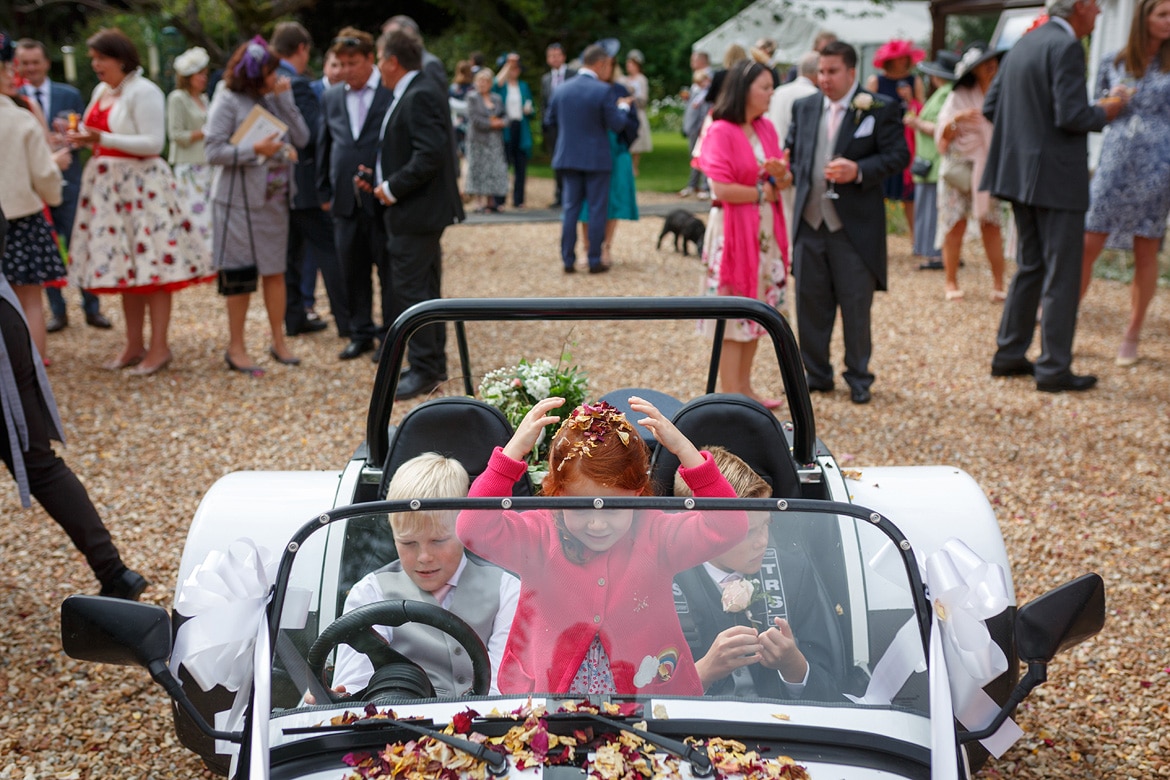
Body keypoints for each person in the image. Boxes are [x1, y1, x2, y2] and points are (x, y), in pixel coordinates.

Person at [457, 397, 747, 695]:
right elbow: (472, 528)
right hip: (550, 702)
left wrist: (686, 451)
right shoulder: (540, 535)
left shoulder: (655, 534)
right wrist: (511, 454)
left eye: (612, 508)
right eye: (582, 507)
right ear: (557, 494)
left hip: (645, 704)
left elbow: (731, 526)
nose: (597, 525)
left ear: (637, 494)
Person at [0, 198, 147, 602]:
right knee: (40, 462)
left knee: (39, 462)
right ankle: (115, 572)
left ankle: (115, 572)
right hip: (6, 317)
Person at [982, 0, 1126, 393]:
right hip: (1056, 180)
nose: (1098, 12)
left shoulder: (1023, 43)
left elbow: (992, 107)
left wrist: (1028, 143)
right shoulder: (1065, 47)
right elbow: (1072, 116)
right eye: (1095, 5)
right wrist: (1108, 109)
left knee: (1031, 267)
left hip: (1018, 175)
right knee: (1062, 274)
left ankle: (1009, 355)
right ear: (1079, 6)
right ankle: (1053, 368)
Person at [66, 28, 215, 375]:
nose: (95, 65)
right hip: (109, 190)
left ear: (119, 58)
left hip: (142, 190)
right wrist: (82, 139)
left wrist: (100, 136)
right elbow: (96, 133)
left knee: (154, 269)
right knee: (125, 268)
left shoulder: (145, 91)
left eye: (100, 58)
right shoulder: (102, 90)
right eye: (93, 59)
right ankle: (133, 343)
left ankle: (159, 347)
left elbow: (152, 143)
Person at [331, 453, 519, 697]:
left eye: (438, 540)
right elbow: (356, 688)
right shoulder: (370, 593)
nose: (424, 557)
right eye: (408, 543)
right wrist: (342, 696)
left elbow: (505, 689)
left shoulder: (506, 589)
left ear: (465, 528)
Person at [784, 41, 910, 405]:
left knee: (856, 306)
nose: (824, 79)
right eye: (821, 71)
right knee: (809, 303)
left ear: (852, 72)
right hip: (809, 222)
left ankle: (859, 377)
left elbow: (898, 155)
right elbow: (795, 153)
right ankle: (817, 374)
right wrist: (784, 171)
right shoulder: (804, 106)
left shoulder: (879, 108)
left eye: (832, 71)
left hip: (853, 228)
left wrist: (859, 171)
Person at [672, 446, 845, 700]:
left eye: (767, 524)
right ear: (704, 529)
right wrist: (704, 672)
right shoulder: (662, 580)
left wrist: (794, 665)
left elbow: (835, 689)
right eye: (749, 531)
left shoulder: (794, 574)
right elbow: (639, 693)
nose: (763, 541)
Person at [363, 26, 464, 397]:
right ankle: (429, 365)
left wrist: (390, 188)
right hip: (415, 212)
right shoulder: (414, 90)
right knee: (423, 289)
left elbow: (430, 154)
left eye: (378, 58)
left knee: (412, 291)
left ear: (392, 61)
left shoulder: (419, 93)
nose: (377, 65)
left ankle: (424, 369)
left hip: (416, 213)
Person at [205, 36, 310, 376]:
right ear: (252, 74)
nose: (273, 77)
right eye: (268, 72)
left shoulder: (272, 97)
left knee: (275, 272)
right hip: (236, 204)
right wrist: (255, 152)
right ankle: (236, 347)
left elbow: (302, 137)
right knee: (240, 275)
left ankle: (279, 341)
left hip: (273, 200)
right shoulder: (227, 100)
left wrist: (286, 99)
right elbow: (213, 151)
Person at [1080, 0, 1170, 367]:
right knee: (1088, 241)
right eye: (1162, 14)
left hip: (1158, 167)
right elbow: (1094, 110)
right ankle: (1060, 322)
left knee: (1146, 249)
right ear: (1143, 18)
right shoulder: (1113, 63)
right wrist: (1111, 101)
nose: (1169, 21)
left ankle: (1132, 333)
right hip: (1115, 164)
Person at [697, 59, 790, 409]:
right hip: (732, 230)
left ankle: (746, 387)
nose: (770, 94)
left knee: (758, 306)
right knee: (733, 308)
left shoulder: (766, 128)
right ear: (744, 89)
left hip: (764, 229)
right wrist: (760, 192)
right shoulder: (720, 129)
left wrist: (780, 176)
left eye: (771, 87)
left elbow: (781, 179)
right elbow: (719, 188)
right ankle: (731, 391)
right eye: (764, 87)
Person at [14, 38, 110, 333]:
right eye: (24, 63)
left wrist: (65, 142)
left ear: (46, 62)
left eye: (35, 62)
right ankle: (58, 311)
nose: (30, 68)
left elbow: (86, 134)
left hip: (70, 182)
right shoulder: (13, 98)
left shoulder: (68, 94)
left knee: (81, 244)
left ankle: (92, 307)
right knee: (47, 251)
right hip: (32, 190)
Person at [316, 28, 392, 361]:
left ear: (370, 59)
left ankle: (390, 336)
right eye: (341, 63)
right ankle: (360, 332)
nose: (346, 70)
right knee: (352, 268)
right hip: (344, 200)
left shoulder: (390, 91)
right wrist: (323, 190)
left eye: (353, 63)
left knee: (387, 270)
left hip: (381, 198)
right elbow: (325, 143)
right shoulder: (332, 96)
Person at [272, 22, 346, 341]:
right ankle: (348, 322)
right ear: (301, 48)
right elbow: (312, 135)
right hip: (305, 183)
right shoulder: (296, 85)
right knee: (329, 251)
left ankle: (294, 318)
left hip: (278, 184)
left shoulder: (265, 78)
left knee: (290, 254)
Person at [1, 52, 68, 364]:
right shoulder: (19, 118)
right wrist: (53, 193)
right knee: (29, 299)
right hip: (21, 218)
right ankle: (34, 369)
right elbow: (43, 173)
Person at [548, 42, 630, 274]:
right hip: (596, 159)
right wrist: (623, 108)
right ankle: (594, 260)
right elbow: (617, 124)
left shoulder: (561, 89)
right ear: (600, 63)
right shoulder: (603, 90)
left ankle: (567, 260)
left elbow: (549, 121)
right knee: (596, 209)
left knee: (570, 209)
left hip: (567, 156)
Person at [934, 43, 1007, 302]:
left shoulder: (1004, 92)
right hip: (958, 169)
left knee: (992, 225)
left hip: (988, 168)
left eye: (993, 60)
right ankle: (950, 281)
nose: (991, 65)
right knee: (954, 225)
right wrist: (959, 118)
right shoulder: (959, 95)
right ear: (973, 69)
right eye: (984, 62)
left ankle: (999, 283)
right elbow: (942, 133)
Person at [578, 64, 641, 267]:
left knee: (613, 201)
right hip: (592, 150)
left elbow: (631, 123)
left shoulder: (619, 89)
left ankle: (605, 247)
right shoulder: (588, 89)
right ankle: (587, 247)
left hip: (616, 150)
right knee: (587, 201)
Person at [866, 40, 925, 247]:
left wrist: (910, 100)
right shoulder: (876, 81)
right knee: (878, 193)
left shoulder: (914, 81)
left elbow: (921, 113)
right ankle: (876, 240)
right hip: (882, 143)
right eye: (896, 58)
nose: (901, 62)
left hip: (906, 144)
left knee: (909, 196)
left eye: (904, 57)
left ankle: (916, 241)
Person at [906, 50, 959, 271]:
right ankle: (931, 251)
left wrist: (917, 123)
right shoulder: (942, 93)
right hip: (928, 161)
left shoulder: (947, 94)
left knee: (934, 209)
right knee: (928, 208)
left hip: (936, 161)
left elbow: (942, 128)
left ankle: (937, 254)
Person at [766, 50, 820, 262]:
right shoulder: (811, 96)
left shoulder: (779, 91)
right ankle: (793, 254)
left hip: (774, 156)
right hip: (794, 160)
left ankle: (783, 252)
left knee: (783, 210)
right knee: (796, 212)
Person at [166, 47, 213, 260]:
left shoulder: (205, 99)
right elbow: (176, 134)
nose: (204, 78)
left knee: (209, 214)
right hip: (189, 166)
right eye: (199, 74)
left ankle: (209, 255)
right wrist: (203, 133)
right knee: (193, 214)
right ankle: (194, 257)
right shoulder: (177, 98)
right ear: (188, 77)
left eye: (205, 74)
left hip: (208, 163)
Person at [464, 67, 509, 214]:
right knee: (478, 169)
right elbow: (474, 119)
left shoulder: (497, 98)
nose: (482, 84)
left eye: (485, 81)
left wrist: (502, 122)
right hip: (478, 140)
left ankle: (491, 201)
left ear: (490, 83)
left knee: (493, 170)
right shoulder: (472, 97)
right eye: (480, 81)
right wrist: (491, 124)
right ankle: (479, 202)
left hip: (494, 141)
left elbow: (506, 115)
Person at [493, 53, 534, 210]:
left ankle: (519, 199)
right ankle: (499, 199)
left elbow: (531, 106)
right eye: (511, 68)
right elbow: (496, 83)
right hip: (506, 128)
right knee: (503, 164)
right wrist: (508, 63)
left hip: (520, 127)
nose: (513, 71)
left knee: (521, 165)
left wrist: (529, 110)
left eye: (516, 68)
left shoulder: (523, 86)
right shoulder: (501, 86)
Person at [540, 43, 575, 207]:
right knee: (557, 160)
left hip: (572, 125)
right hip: (554, 127)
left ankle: (572, 193)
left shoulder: (573, 75)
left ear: (563, 56)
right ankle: (559, 194)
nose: (554, 58)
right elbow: (544, 104)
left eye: (557, 55)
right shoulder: (546, 79)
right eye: (551, 56)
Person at [679, 64, 712, 199]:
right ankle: (693, 184)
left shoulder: (707, 95)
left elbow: (704, 114)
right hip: (694, 129)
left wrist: (700, 128)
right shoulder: (697, 93)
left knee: (704, 158)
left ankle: (704, 186)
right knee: (695, 158)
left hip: (702, 131)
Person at [621, 49, 653, 175]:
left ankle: (634, 167)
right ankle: (627, 166)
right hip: (625, 112)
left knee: (637, 141)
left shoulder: (641, 79)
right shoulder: (623, 79)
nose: (629, 67)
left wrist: (633, 98)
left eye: (631, 64)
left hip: (637, 112)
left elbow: (643, 99)